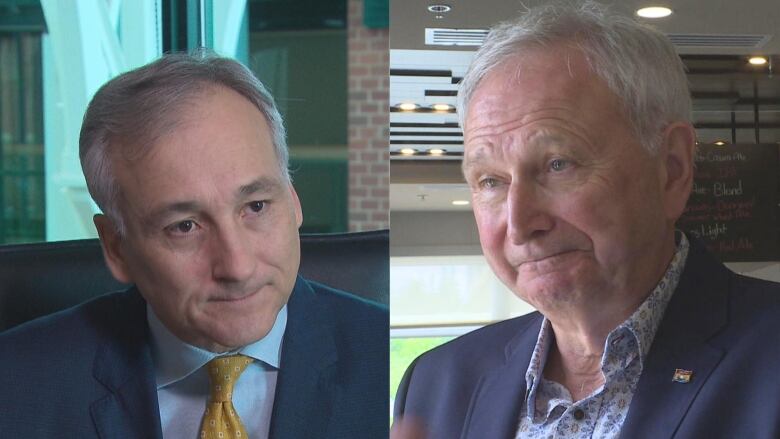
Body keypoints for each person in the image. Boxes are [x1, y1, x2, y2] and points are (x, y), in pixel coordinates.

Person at [393, 2, 780, 438]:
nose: (519, 224)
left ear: (671, 168)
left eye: (558, 164)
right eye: (490, 181)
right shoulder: (436, 383)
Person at [0, 52, 388, 438]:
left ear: (293, 201)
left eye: (255, 206)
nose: (237, 267)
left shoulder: (389, 362)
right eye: (184, 226)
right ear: (116, 247)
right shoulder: (15, 386)